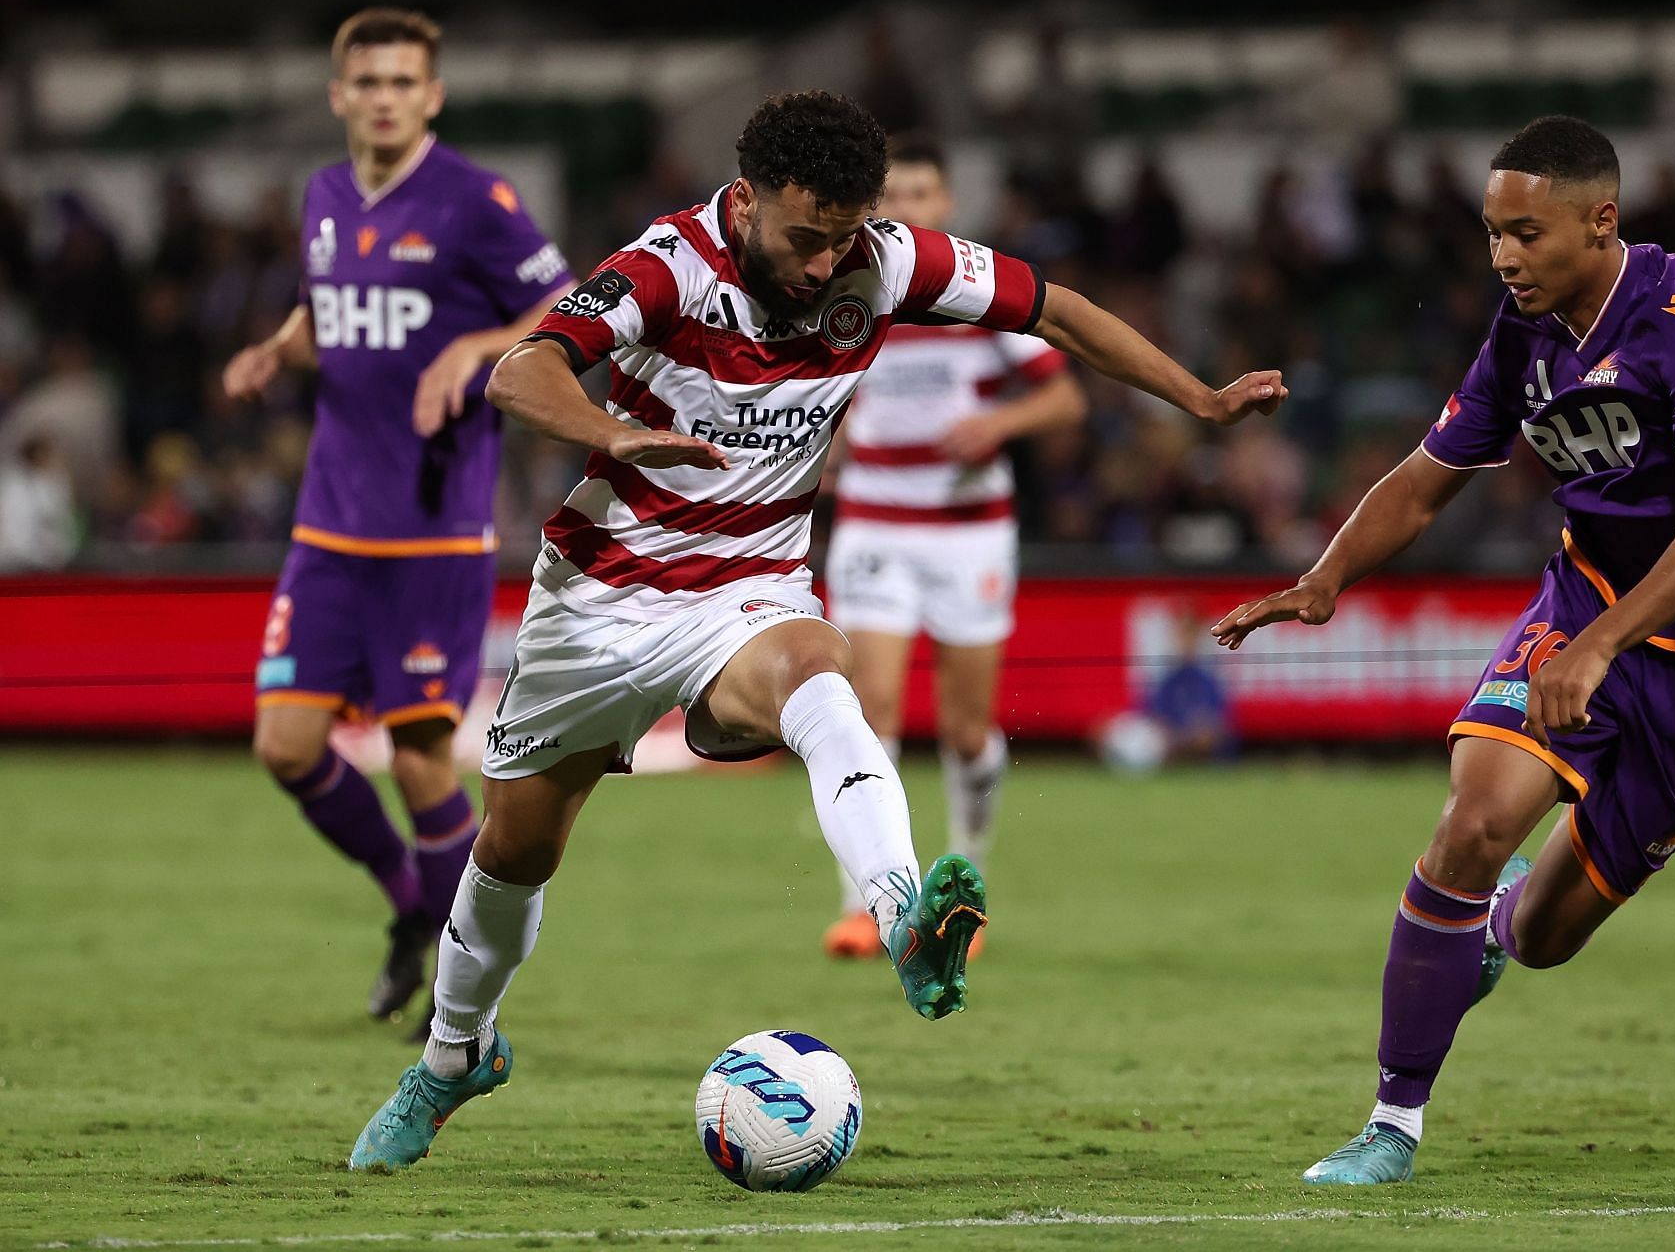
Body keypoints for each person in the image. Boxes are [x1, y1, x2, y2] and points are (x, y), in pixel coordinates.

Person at [349, 90, 1283, 1171]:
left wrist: (1200, 400)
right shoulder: (670, 266)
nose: (821, 265)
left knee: (820, 673)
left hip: (751, 586)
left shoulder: (885, 260)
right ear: (745, 201)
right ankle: (456, 1055)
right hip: (602, 599)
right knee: (513, 851)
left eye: (842, 237)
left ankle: (898, 916)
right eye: (803, 237)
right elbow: (523, 367)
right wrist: (616, 430)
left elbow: (1059, 312)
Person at [1213, 116, 1675, 1184]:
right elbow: (1425, 477)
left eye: (1525, 233)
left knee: (1543, 939)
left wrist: (1603, 648)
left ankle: (1501, 926)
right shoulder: (1520, 333)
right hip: (1588, 598)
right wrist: (1326, 579)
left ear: (1601, 221)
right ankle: (1392, 1124)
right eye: (1493, 233)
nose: (1503, 258)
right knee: (1475, 817)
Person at [222, 8, 573, 1032]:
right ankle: (412, 905)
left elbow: (569, 306)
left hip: (432, 531)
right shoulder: (325, 194)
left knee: (421, 761)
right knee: (285, 747)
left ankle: (464, 985)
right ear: (339, 95)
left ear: (433, 95)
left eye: (401, 81)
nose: (382, 97)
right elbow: (322, 301)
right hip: (329, 526)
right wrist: (276, 350)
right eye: (365, 81)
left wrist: (473, 354)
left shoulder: (476, 201)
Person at [820, 135, 1087, 958]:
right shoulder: (846, 298)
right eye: (889, 196)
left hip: (968, 537)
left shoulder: (984, 300)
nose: (904, 208)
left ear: (946, 207)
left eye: (919, 194)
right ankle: (872, 904)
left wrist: (998, 423)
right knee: (872, 716)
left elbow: (1066, 401)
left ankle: (963, 889)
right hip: (873, 527)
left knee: (968, 731)